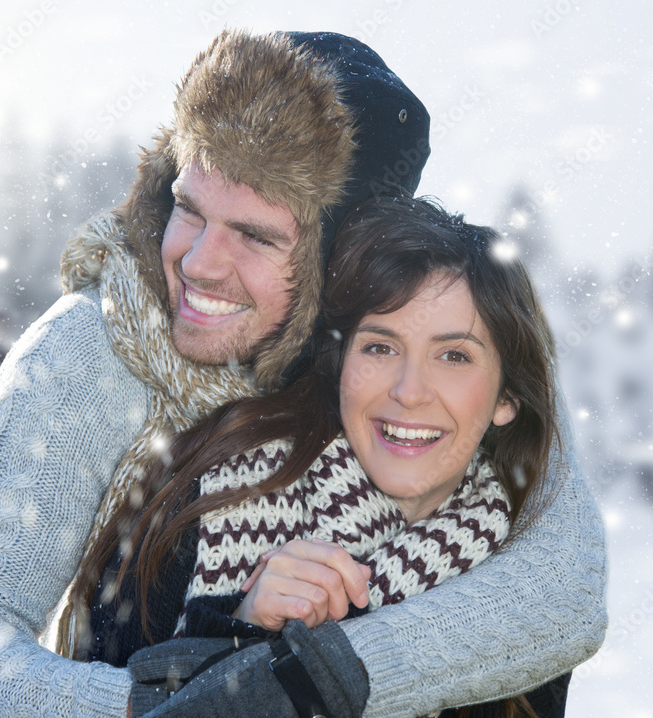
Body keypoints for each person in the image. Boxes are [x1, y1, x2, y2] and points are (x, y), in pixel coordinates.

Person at [0, 29, 606, 718]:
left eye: (256, 235)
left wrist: (305, 680)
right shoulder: (98, 349)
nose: (197, 263)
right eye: (189, 209)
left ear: (339, 259)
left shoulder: (421, 345)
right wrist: (171, 703)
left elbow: (563, 586)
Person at [100, 196, 569, 717]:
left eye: (454, 355)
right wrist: (242, 634)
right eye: (380, 347)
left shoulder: (523, 583)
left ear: (507, 399)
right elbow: (95, 692)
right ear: (340, 363)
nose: (410, 391)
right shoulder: (206, 493)